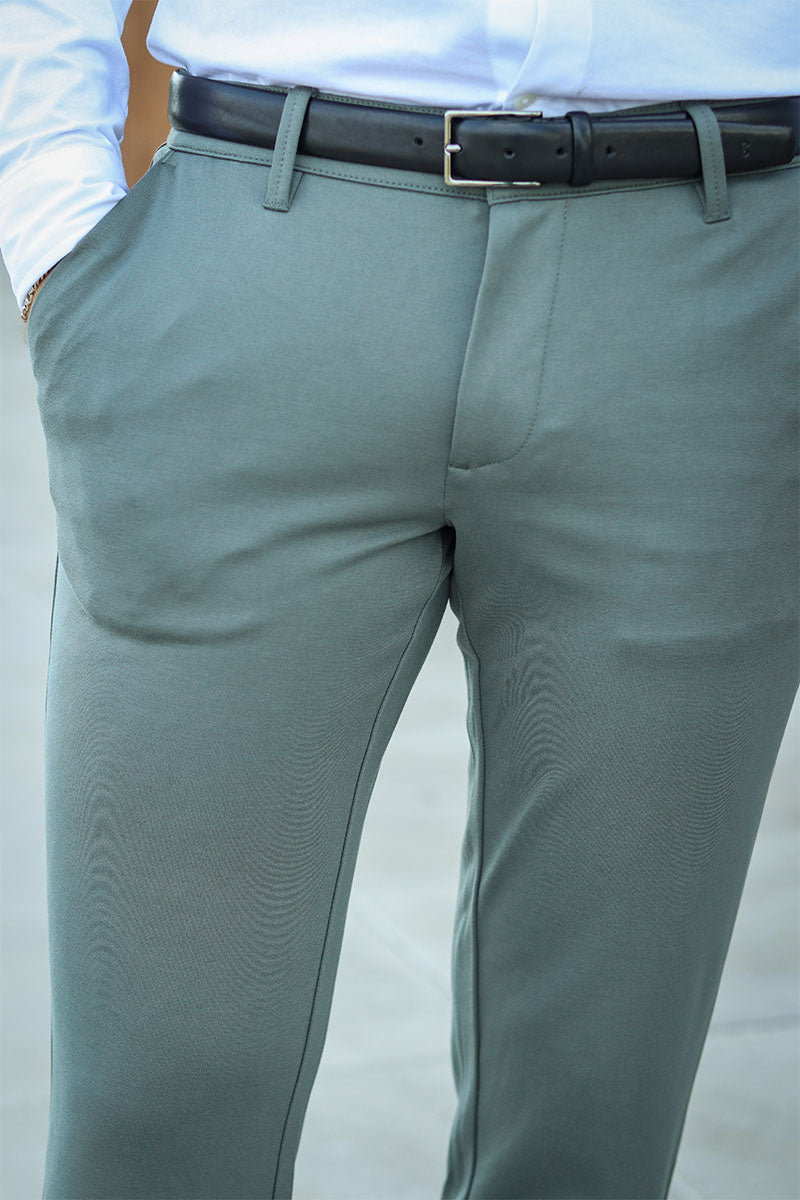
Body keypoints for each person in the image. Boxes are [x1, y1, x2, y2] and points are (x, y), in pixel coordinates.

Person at [1, 3, 798, 1197]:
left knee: (596, 1106)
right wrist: (57, 240)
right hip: (254, 264)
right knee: (160, 1101)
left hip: (713, 289)